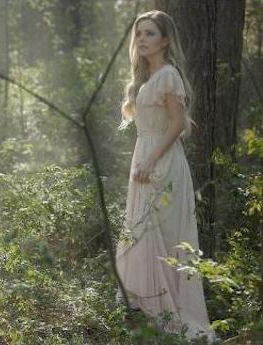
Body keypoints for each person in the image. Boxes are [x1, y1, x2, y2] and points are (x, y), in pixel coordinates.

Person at [115, 10, 216, 341]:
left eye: (150, 33)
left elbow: (178, 124)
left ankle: (174, 316)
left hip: (162, 163)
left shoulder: (169, 75)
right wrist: (143, 160)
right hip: (145, 158)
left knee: (166, 238)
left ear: (165, 40)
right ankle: (152, 312)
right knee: (143, 232)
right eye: (139, 33)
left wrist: (151, 160)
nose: (142, 39)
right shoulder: (148, 78)